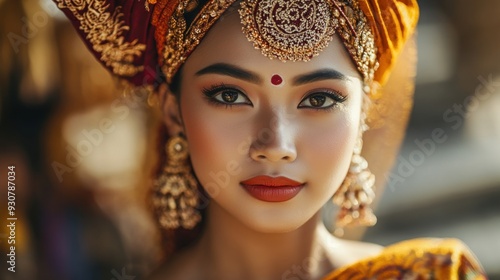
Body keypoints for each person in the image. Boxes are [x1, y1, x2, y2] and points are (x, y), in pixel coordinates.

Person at [54, 0, 488, 279]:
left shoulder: (434, 275)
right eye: (230, 95)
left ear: (363, 115)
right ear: (173, 110)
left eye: (318, 98)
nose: (275, 142)